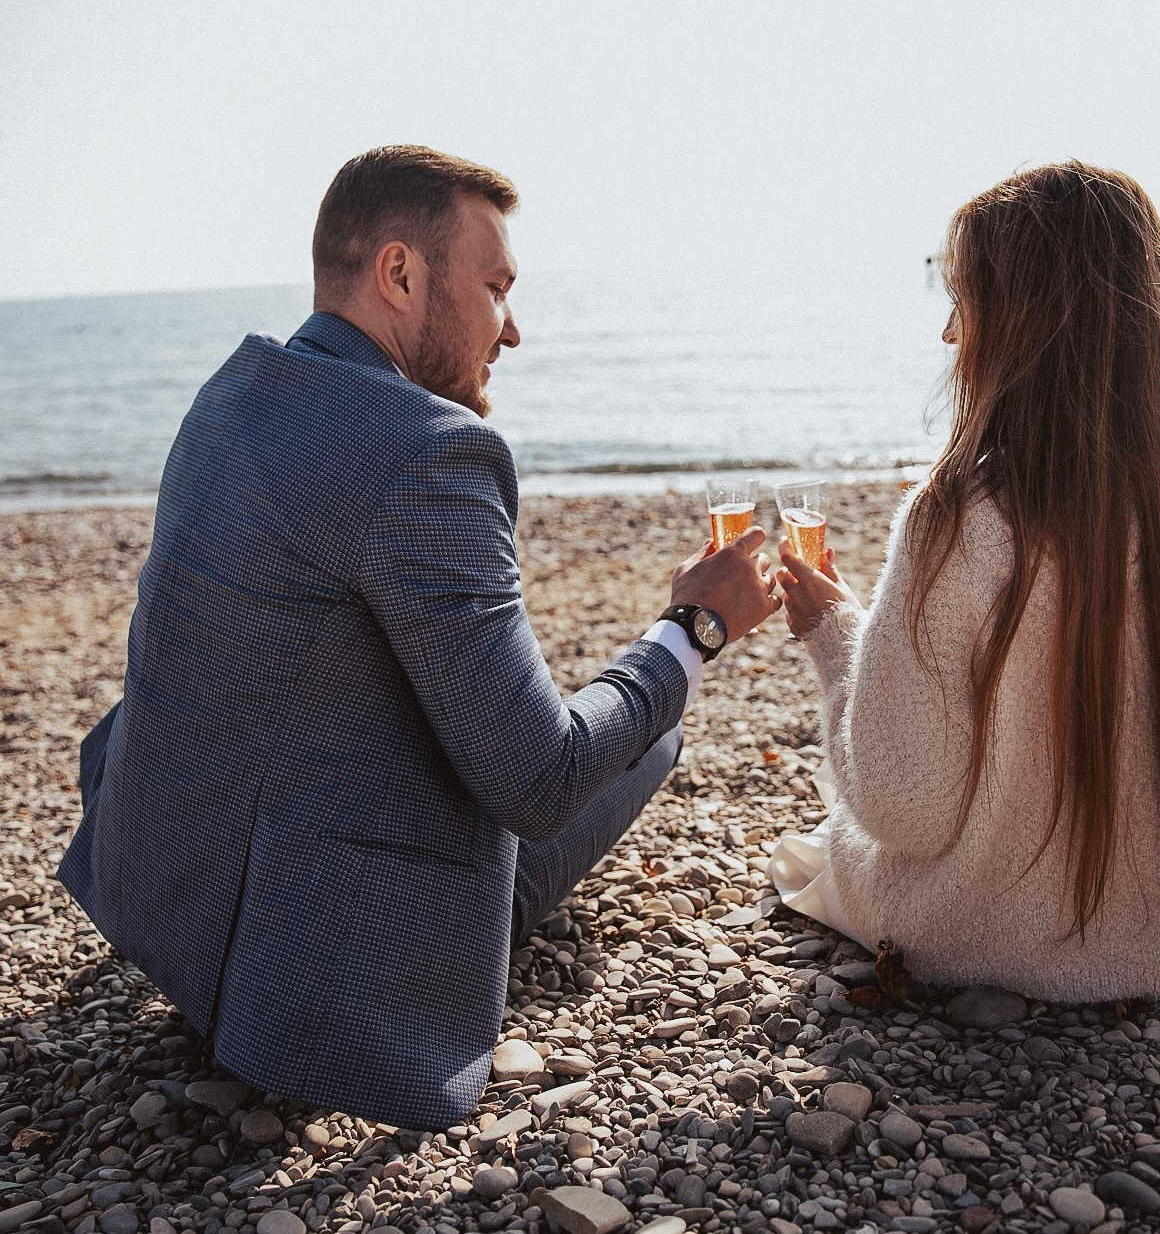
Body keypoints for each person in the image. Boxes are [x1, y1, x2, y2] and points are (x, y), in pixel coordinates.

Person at [56, 146, 780, 1128]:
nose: (512, 330)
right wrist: (695, 627)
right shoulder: (430, 450)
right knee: (646, 730)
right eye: (493, 289)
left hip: (157, 884)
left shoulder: (232, 392)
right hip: (290, 973)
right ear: (400, 273)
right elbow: (539, 779)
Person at [772, 161, 1160, 1003]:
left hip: (991, 941)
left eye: (962, 301)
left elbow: (903, 803)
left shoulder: (964, 518)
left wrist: (835, 636)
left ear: (1021, 321)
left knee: (811, 854)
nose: (950, 333)